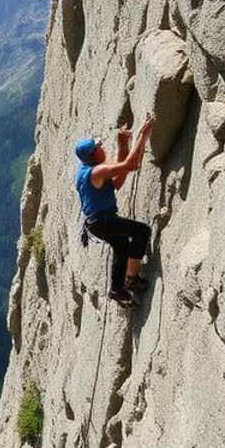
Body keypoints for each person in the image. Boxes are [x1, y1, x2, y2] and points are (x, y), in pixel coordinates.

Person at [74, 116, 154, 307]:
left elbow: (117, 181)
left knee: (121, 245)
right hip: (103, 221)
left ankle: (117, 289)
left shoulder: (87, 171)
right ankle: (132, 279)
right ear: (94, 154)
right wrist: (143, 135)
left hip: (97, 223)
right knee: (142, 231)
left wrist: (123, 143)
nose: (102, 148)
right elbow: (128, 166)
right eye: (99, 147)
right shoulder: (96, 172)